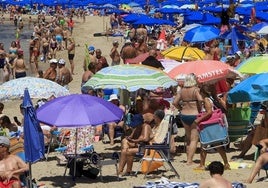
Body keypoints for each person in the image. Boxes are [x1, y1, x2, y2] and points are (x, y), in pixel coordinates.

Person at [194, 84, 230, 170]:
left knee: (204, 145)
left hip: (208, 125)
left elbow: (209, 112)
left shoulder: (206, 100)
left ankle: (202, 165)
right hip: (212, 124)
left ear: (202, 92)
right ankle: (226, 163)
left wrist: (198, 120)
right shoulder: (210, 99)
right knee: (217, 145)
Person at [172, 74, 203, 165]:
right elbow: (200, 99)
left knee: (188, 138)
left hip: (184, 114)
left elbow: (174, 102)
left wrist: (180, 108)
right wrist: (200, 107)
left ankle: (188, 158)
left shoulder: (182, 91)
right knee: (194, 139)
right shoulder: (196, 90)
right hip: (194, 114)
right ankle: (189, 160)